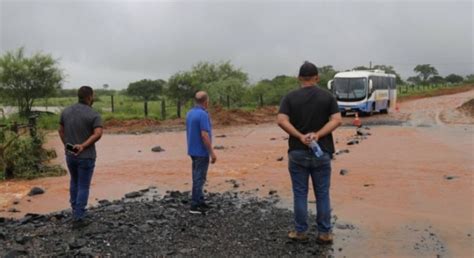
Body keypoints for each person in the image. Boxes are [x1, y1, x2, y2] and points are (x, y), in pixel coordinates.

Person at [277, 61, 342, 244]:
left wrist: (299, 136)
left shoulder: (289, 97)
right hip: (322, 152)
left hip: (297, 152)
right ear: (317, 78)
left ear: (299, 78)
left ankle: (301, 232)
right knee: (322, 194)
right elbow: (337, 120)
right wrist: (318, 135)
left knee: (300, 193)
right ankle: (324, 233)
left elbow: (281, 120)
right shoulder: (327, 97)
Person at [59, 86, 103, 228]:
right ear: (89, 97)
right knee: (83, 186)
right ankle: (79, 217)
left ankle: (75, 210)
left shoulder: (66, 111)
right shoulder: (93, 114)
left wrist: (67, 145)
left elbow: (60, 130)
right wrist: (83, 146)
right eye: (93, 96)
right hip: (86, 156)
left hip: (70, 155)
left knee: (74, 182)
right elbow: (98, 133)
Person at [186, 91, 217, 214]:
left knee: (196, 176)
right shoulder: (203, 115)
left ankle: (200, 201)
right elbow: (204, 135)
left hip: (192, 150)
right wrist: (212, 153)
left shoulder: (189, 113)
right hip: (201, 152)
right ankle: (194, 206)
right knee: (200, 178)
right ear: (206, 101)